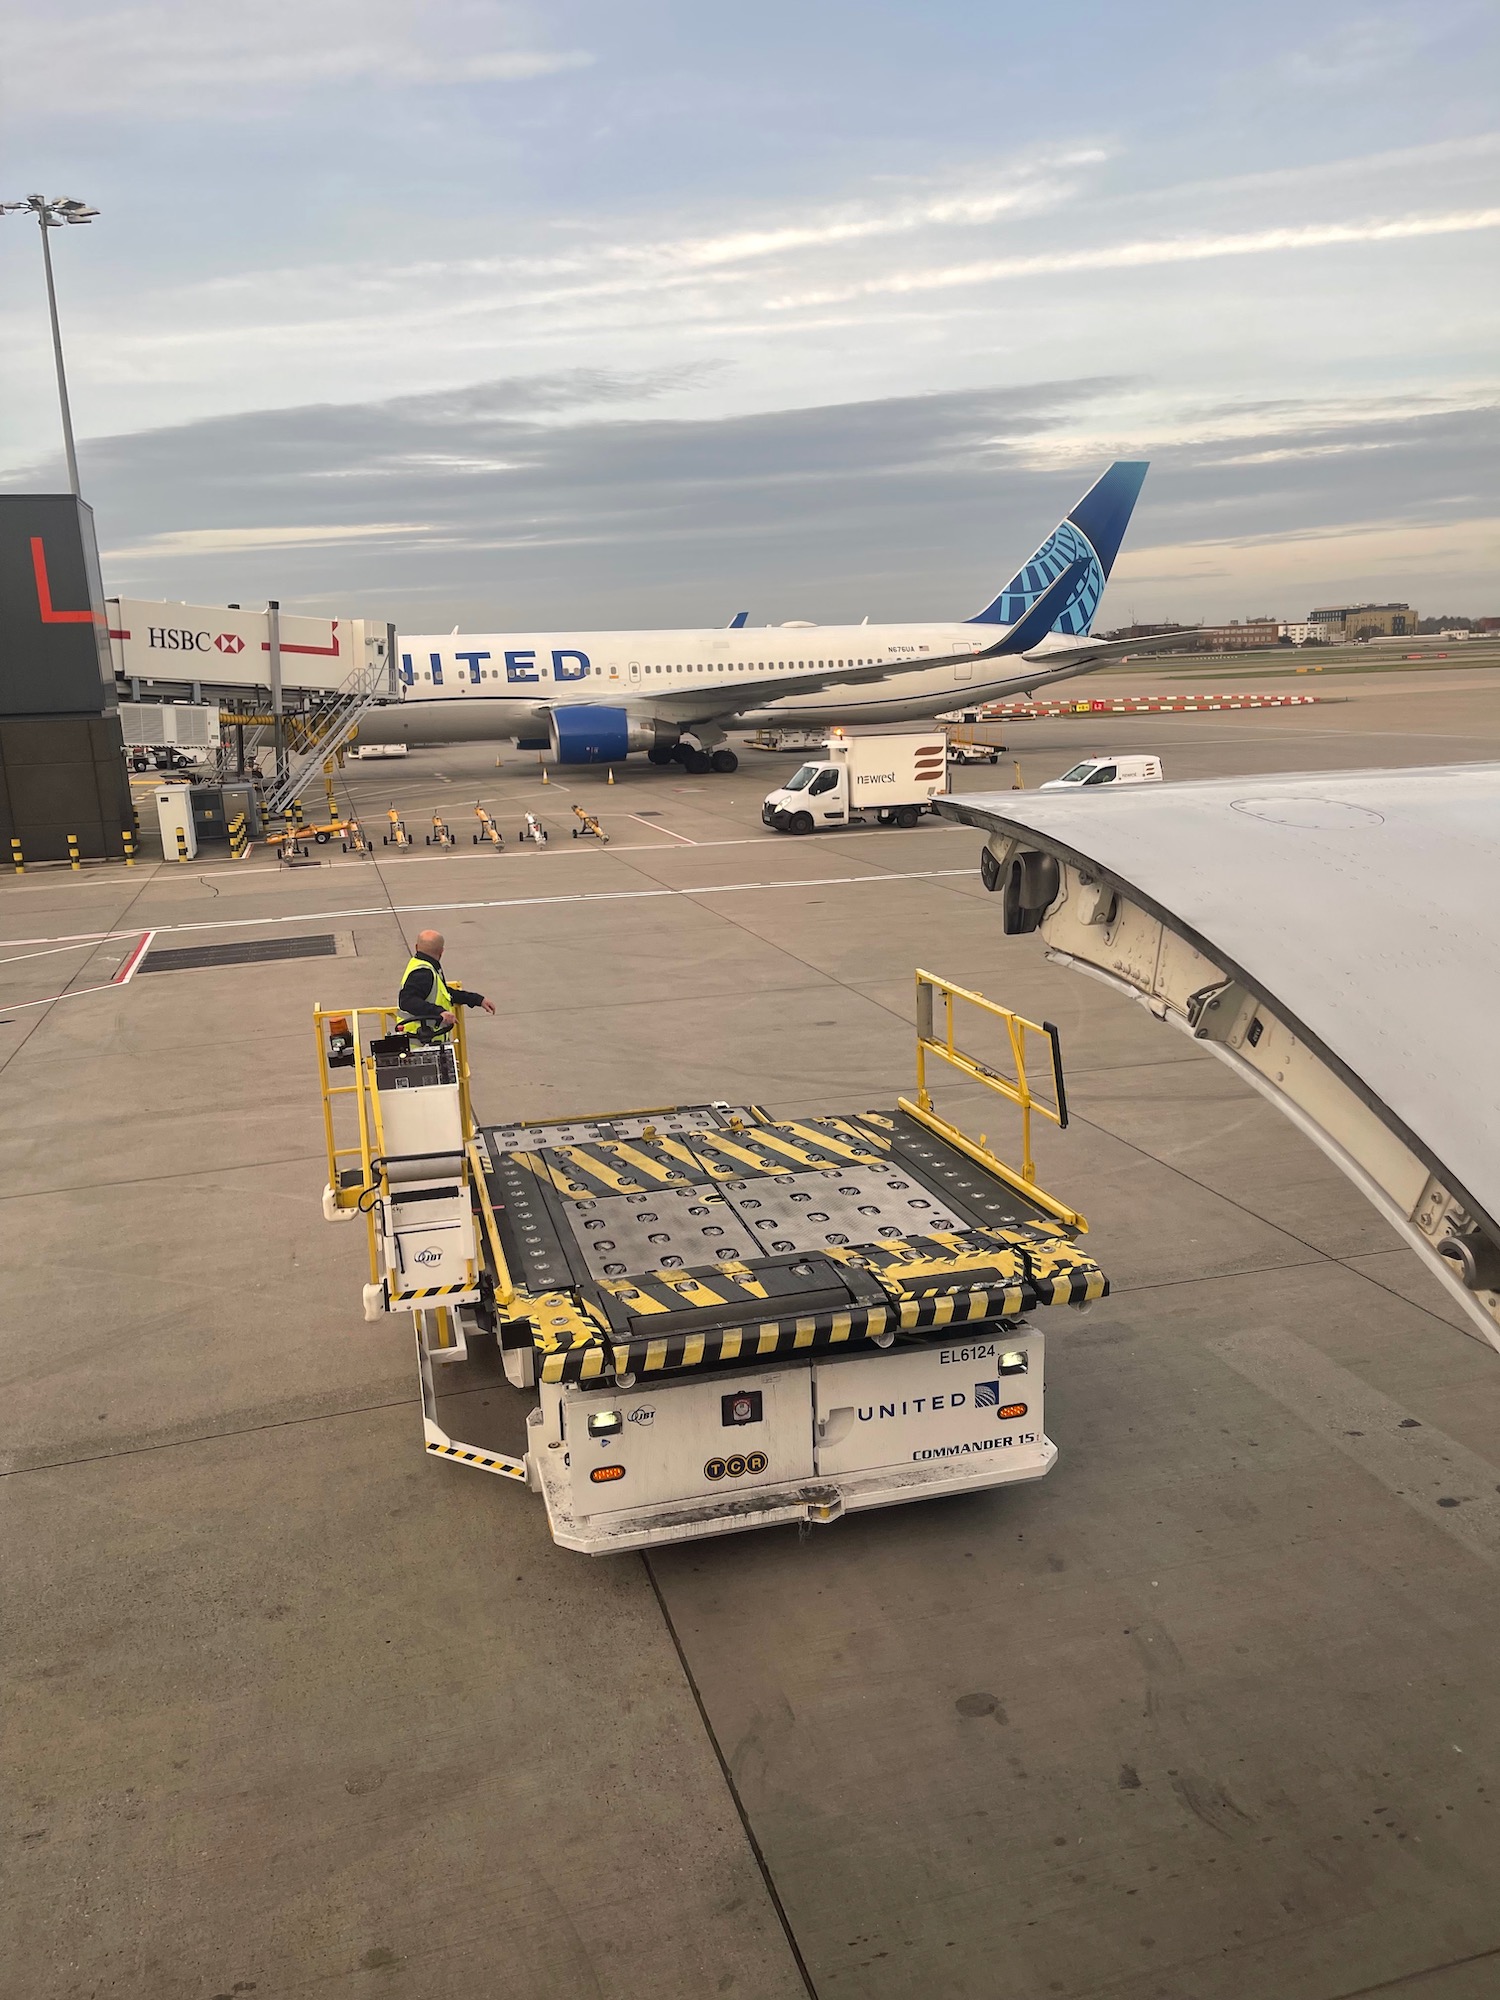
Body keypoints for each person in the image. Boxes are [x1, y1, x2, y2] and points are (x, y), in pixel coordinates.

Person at [396, 930, 495, 1043]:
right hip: (421, 1042)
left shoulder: (423, 965)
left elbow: (444, 993)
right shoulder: (423, 972)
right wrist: (439, 1012)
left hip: (429, 1040)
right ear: (441, 951)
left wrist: (477, 999)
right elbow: (407, 1000)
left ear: (416, 947)